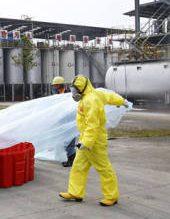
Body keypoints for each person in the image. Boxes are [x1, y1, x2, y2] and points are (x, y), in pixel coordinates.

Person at [59, 74, 128, 207]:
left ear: (82, 88)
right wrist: (121, 101)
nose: (73, 93)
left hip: (94, 141)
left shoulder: (90, 101)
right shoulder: (93, 94)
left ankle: (111, 196)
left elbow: (93, 125)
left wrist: (86, 143)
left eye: (75, 90)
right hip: (86, 139)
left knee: (104, 168)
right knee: (78, 167)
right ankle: (75, 192)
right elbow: (109, 97)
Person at [51, 76, 77, 167]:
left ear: (60, 85)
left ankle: (71, 158)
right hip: (61, 120)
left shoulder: (69, 94)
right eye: (54, 85)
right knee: (63, 140)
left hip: (70, 119)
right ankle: (67, 157)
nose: (54, 87)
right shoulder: (56, 95)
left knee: (70, 140)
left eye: (56, 85)